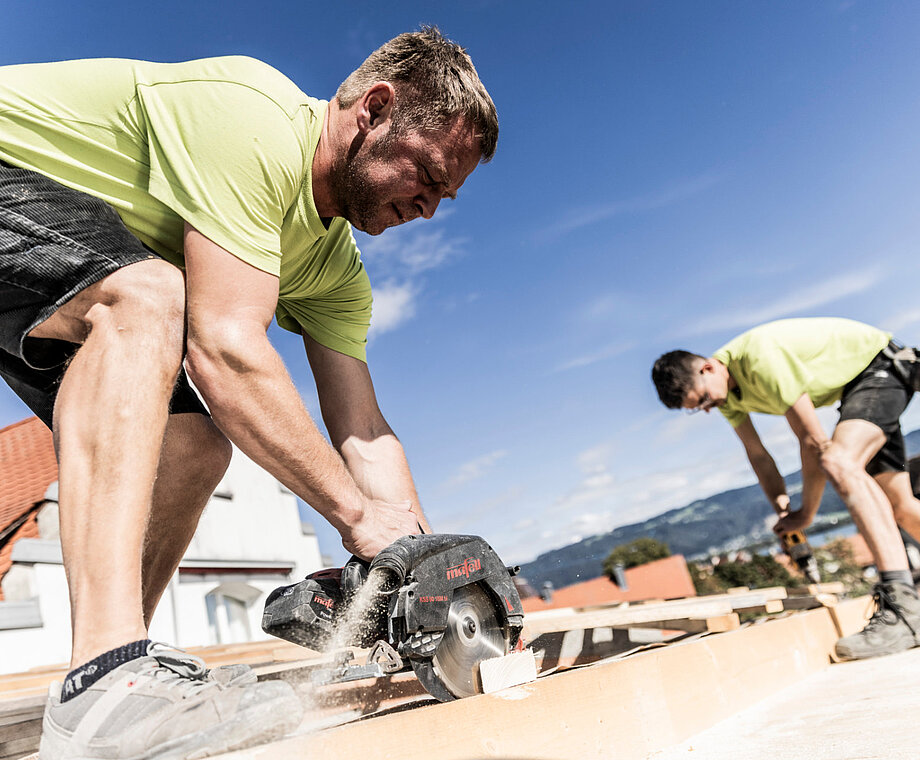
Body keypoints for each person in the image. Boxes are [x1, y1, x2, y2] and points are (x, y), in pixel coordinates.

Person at [0, 27, 497, 759]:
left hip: (45, 255)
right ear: (375, 109)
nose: (427, 207)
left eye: (444, 196)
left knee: (194, 447)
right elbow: (225, 352)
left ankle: (105, 684)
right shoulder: (253, 116)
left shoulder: (335, 275)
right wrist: (361, 523)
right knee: (147, 297)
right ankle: (107, 674)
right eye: (425, 174)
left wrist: (419, 569)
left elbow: (362, 428)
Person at [651, 317, 920, 660]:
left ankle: (904, 610)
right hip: (858, 390)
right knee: (900, 504)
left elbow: (812, 442)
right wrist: (782, 512)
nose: (706, 409)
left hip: (881, 367)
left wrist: (805, 514)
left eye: (703, 398)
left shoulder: (759, 359)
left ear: (707, 368)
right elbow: (759, 457)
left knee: (839, 461)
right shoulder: (726, 397)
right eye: (698, 408)